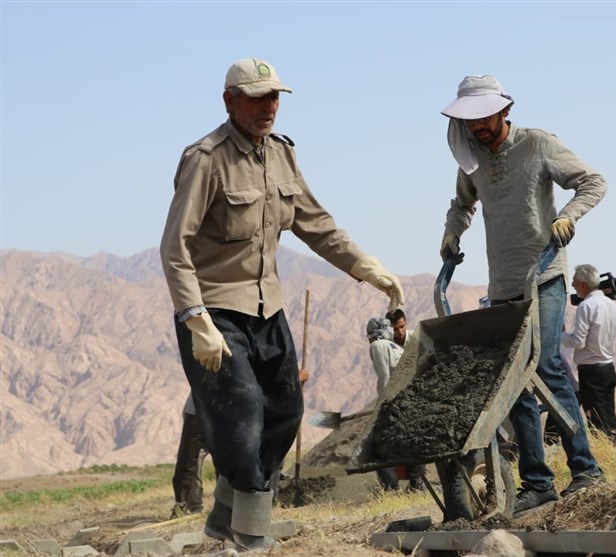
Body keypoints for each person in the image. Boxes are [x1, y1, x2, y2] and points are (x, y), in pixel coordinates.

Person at [160, 57, 404, 550]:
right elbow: (174, 248)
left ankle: (225, 511)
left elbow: (316, 223)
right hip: (215, 312)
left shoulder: (283, 155)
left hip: (268, 310)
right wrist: (194, 318)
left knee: (288, 411)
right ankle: (252, 539)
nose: (269, 107)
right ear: (230, 100)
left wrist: (364, 265)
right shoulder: (205, 159)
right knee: (243, 415)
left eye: (275, 97)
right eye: (257, 97)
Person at [439, 75, 608, 518]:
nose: (477, 126)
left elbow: (593, 181)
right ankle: (539, 483)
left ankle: (585, 469)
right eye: (468, 119)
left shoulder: (537, 145)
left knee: (546, 364)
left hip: (545, 275)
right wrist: (452, 231)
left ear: (502, 110)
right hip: (504, 286)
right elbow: (462, 204)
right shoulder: (472, 160)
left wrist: (569, 216)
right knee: (513, 386)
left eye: (483, 116)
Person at [561, 264, 616, 446]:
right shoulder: (611, 304)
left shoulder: (585, 306)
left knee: (595, 417)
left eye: (575, 282)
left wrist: (562, 334)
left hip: (591, 370)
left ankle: (606, 453)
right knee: (609, 415)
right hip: (608, 367)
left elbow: (578, 341)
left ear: (584, 284)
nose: (573, 285)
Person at [366, 317, 426, 492]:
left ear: (372, 335)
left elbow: (385, 378)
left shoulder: (377, 346)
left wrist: (382, 404)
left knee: (378, 448)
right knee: (410, 443)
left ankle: (391, 490)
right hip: (411, 401)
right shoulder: (395, 347)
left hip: (395, 403)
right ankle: (417, 485)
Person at [170, 394, 209, 518]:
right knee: (190, 461)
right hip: (197, 414)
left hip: (225, 415)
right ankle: (190, 505)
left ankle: (226, 506)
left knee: (228, 461)